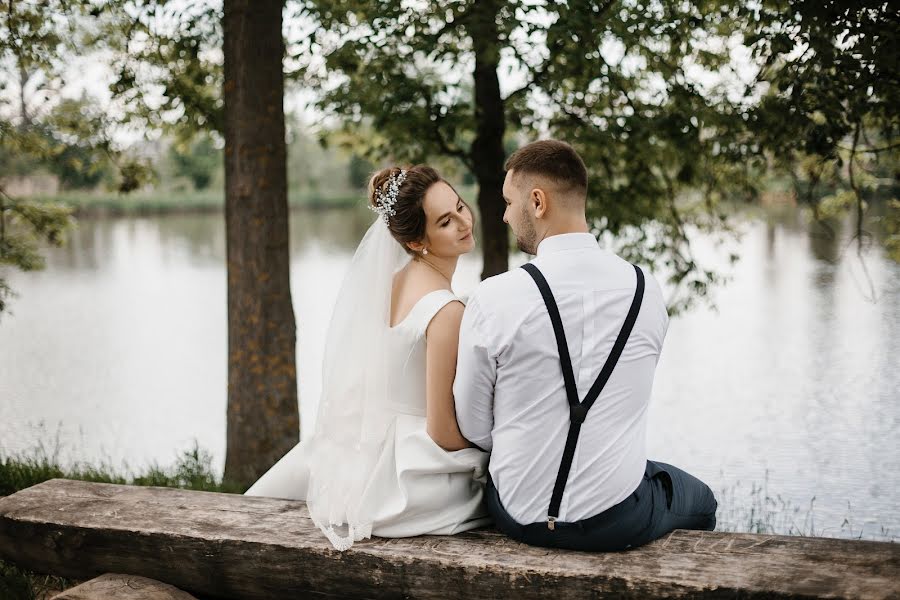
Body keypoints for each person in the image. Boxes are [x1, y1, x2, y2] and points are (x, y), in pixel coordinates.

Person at [454, 139, 717, 552]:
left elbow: (474, 428)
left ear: (537, 202)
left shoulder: (493, 298)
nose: (504, 215)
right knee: (702, 500)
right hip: (617, 519)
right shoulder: (645, 291)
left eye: (508, 202)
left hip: (515, 514)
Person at [245, 165, 490, 550]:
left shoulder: (385, 284)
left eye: (460, 207)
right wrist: (490, 450)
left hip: (361, 447)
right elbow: (442, 431)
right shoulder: (447, 311)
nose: (463, 222)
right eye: (445, 221)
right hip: (405, 470)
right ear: (416, 242)